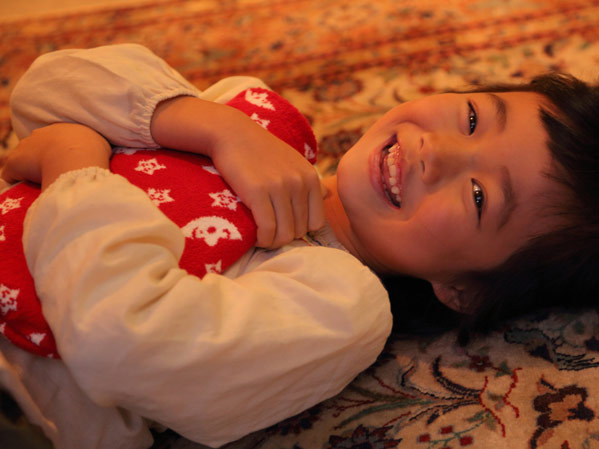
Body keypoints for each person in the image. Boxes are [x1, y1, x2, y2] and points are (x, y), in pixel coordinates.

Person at [1, 43, 597, 448]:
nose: (434, 151)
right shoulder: (253, 121)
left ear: (465, 290)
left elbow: (120, 343)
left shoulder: (339, 307)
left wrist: (74, 161)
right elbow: (43, 91)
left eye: (478, 196)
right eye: (470, 118)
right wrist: (215, 127)